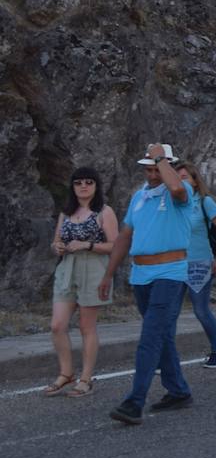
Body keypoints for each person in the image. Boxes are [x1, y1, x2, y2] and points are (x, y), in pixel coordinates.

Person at [99, 144, 197, 425]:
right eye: (149, 168)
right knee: (162, 335)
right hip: (141, 274)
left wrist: (161, 158)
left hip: (170, 274)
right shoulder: (139, 197)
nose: (153, 174)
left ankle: (134, 402)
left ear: (168, 166)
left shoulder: (182, 192)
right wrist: (108, 274)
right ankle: (178, 391)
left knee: (151, 337)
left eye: (158, 168)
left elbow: (176, 189)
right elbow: (124, 237)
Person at [45, 167, 119, 398]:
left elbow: (115, 245)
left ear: (96, 186)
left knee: (87, 326)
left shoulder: (104, 212)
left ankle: (85, 378)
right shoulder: (66, 213)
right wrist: (56, 247)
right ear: (73, 186)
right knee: (57, 325)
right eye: (78, 182)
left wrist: (88, 245)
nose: (83, 186)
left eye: (89, 182)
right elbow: (56, 242)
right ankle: (66, 372)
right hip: (67, 269)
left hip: (94, 268)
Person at [175, 160, 216, 367]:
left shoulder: (204, 202)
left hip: (199, 263)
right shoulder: (173, 204)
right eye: (176, 178)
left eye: (184, 177)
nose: (180, 182)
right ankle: (167, 358)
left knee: (200, 309)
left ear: (195, 182)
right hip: (175, 264)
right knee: (170, 311)